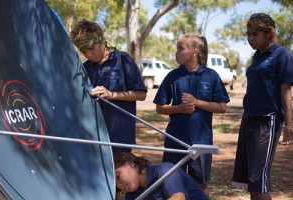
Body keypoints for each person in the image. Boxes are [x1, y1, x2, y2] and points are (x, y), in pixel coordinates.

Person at [153, 34, 230, 196]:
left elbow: (222, 107)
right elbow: (160, 107)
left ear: (194, 52)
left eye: (181, 48)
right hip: (175, 140)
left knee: (200, 184)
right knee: (171, 180)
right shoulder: (172, 76)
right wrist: (180, 108)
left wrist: (197, 102)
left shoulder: (211, 76)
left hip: (201, 142)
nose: (176, 52)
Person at [232, 13, 293, 200]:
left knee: (260, 179)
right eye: (248, 34)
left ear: (269, 33)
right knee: (252, 181)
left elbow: (286, 92)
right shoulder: (256, 57)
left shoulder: (283, 55)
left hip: (268, 120)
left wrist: (289, 125)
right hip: (249, 118)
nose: (251, 38)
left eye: (256, 33)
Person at [69, 19, 147, 153]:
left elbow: (141, 95)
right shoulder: (86, 67)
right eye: (84, 52)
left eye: (92, 49)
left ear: (101, 40)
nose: (89, 54)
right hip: (94, 135)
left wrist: (112, 95)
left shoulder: (122, 60)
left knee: (119, 173)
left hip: (119, 136)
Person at [114, 151, 209, 200]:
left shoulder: (165, 171)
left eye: (118, 176)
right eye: (115, 183)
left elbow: (179, 198)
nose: (119, 185)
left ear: (130, 163)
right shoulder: (132, 194)